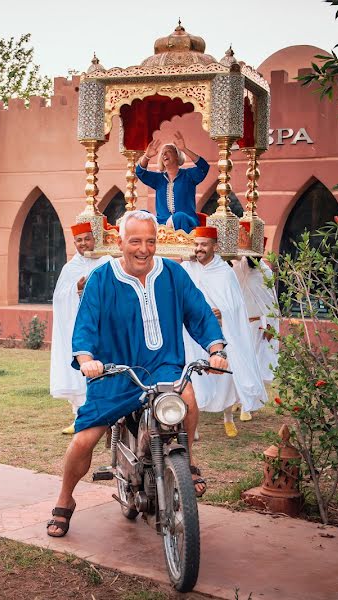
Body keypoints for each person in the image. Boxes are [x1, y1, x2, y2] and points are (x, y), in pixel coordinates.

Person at [46, 210, 229, 538]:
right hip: (115, 370)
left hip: (164, 363)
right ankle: (64, 498)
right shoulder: (102, 279)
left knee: (186, 396)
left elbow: (198, 313)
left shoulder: (173, 274)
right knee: (84, 438)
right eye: (135, 241)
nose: (144, 249)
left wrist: (216, 350)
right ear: (120, 242)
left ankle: (186, 463)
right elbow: (85, 325)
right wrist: (88, 359)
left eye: (150, 241)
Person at [183, 227, 267, 437]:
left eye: (204, 244)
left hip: (220, 332)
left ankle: (228, 418)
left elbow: (236, 306)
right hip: (192, 332)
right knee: (193, 376)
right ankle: (193, 425)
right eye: (196, 244)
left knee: (224, 377)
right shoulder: (186, 268)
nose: (199, 248)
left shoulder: (225, 271)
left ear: (215, 246)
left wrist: (222, 314)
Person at [50, 222, 109, 435]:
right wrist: (76, 288)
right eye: (79, 240)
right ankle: (79, 418)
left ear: (95, 239)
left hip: (104, 327)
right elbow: (58, 298)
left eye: (87, 238)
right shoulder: (70, 268)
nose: (84, 243)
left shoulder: (107, 262)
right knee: (79, 370)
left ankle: (109, 418)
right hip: (78, 328)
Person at [232, 252, 279, 421]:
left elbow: (270, 301)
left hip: (256, 326)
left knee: (253, 364)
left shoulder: (265, 273)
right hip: (238, 325)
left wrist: (270, 326)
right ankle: (238, 398)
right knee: (238, 364)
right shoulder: (239, 268)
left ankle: (247, 405)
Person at [135, 132, 209, 233]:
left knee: (178, 216)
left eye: (168, 151)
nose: (164, 154)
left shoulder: (188, 175)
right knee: (141, 215)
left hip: (185, 220)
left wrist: (184, 149)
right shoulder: (159, 179)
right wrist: (147, 156)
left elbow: (204, 167)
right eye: (162, 153)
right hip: (162, 222)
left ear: (177, 156)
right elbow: (140, 172)